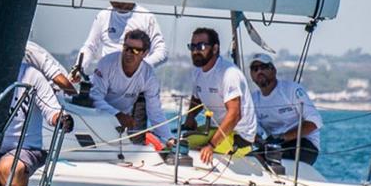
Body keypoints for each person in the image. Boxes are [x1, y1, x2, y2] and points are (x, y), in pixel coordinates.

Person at [0, 63, 70, 186]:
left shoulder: (31, 75)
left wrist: (61, 118)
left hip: (25, 149)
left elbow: (51, 109)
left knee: (7, 169)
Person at [182, 28, 259, 165]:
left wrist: (211, 146)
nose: (195, 51)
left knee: (187, 146)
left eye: (201, 46)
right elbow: (197, 97)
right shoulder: (197, 72)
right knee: (179, 140)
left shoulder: (229, 73)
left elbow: (235, 114)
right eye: (192, 46)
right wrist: (189, 119)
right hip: (216, 130)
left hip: (240, 136)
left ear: (215, 48)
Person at [88, 29, 172, 146]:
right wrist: (117, 114)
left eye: (135, 51)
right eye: (126, 48)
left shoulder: (149, 76)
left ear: (145, 53)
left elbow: (155, 112)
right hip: (95, 118)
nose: (128, 53)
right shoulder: (107, 63)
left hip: (122, 125)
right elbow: (95, 98)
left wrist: (169, 139)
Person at [248, 53, 323, 165]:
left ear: (273, 70)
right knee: (248, 159)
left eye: (263, 67)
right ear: (251, 75)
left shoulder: (292, 89)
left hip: (305, 145)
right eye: (255, 69)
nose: (259, 71)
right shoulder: (253, 100)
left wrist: (283, 137)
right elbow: (254, 131)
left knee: (261, 158)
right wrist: (259, 141)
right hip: (275, 147)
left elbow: (315, 121)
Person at [77, 1, 166, 75]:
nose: (115, 2)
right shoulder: (103, 15)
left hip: (135, 80)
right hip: (106, 78)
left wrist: (141, 65)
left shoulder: (146, 17)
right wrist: (79, 67)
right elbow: (90, 47)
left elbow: (161, 51)